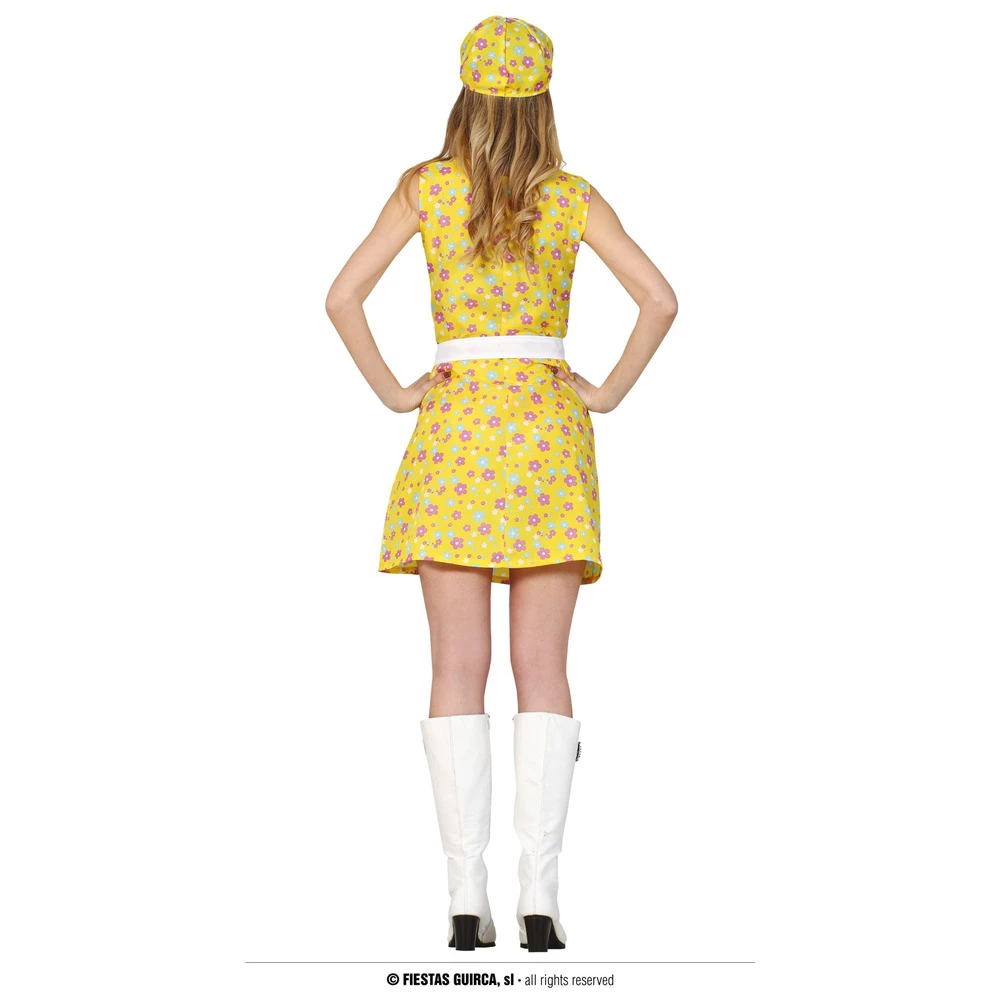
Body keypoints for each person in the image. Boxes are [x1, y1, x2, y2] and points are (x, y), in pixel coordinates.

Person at [325, 15, 677, 952]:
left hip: (454, 434)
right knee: (544, 670)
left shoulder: (425, 189)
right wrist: (605, 391)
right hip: (550, 438)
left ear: (466, 93)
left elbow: (341, 296)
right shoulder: (571, 197)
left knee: (454, 668)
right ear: (542, 99)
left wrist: (397, 391)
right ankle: (542, 899)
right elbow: (660, 299)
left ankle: (462, 897)